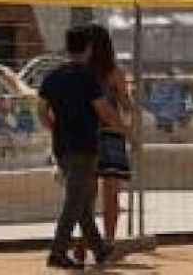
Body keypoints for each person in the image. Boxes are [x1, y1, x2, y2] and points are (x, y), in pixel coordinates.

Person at [38, 24, 121, 270]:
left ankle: (99, 249)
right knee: (75, 201)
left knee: (83, 201)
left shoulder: (53, 76)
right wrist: (123, 129)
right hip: (84, 146)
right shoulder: (88, 77)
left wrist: (54, 128)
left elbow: (41, 111)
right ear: (87, 49)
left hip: (62, 146)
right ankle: (58, 252)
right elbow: (103, 110)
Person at [86, 26, 137, 261]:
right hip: (111, 135)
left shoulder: (81, 73)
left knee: (85, 193)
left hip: (85, 135)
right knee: (111, 194)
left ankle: (89, 240)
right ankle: (108, 241)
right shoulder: (115, 72)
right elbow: (126, 106)